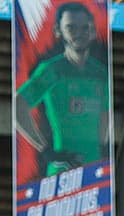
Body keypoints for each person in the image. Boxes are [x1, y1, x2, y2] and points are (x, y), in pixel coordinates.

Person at [13, 2, 110, 178]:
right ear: (58, 31)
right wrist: (46, 150)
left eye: (85, 28)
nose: (79, 34)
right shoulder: (52, 70)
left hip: (95, 172)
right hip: (61, 174)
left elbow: (105, 115)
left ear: (93, 31)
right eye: (71, 28)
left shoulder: (101, 73)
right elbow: (18, 105)